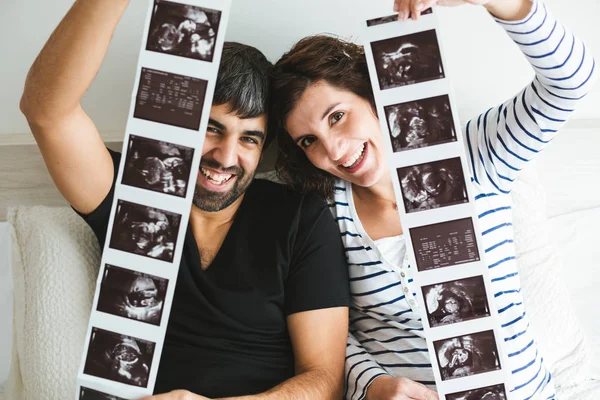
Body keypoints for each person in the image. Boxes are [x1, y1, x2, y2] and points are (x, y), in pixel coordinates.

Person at [19, 0, 350, 398]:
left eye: (249, 138)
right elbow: (46, 111)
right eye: (212, 129)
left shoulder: (300, 217)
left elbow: (324, 381)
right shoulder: (136, 192)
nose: (226, 157)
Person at [270, 0, 597, 399]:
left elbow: (571, 81)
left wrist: (499, 2)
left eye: (337, 116)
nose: (335, 150)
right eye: (309, 141)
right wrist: (373, 384)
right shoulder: (323, 212)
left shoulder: (474, 154)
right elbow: (332, 336)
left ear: (372, 95)